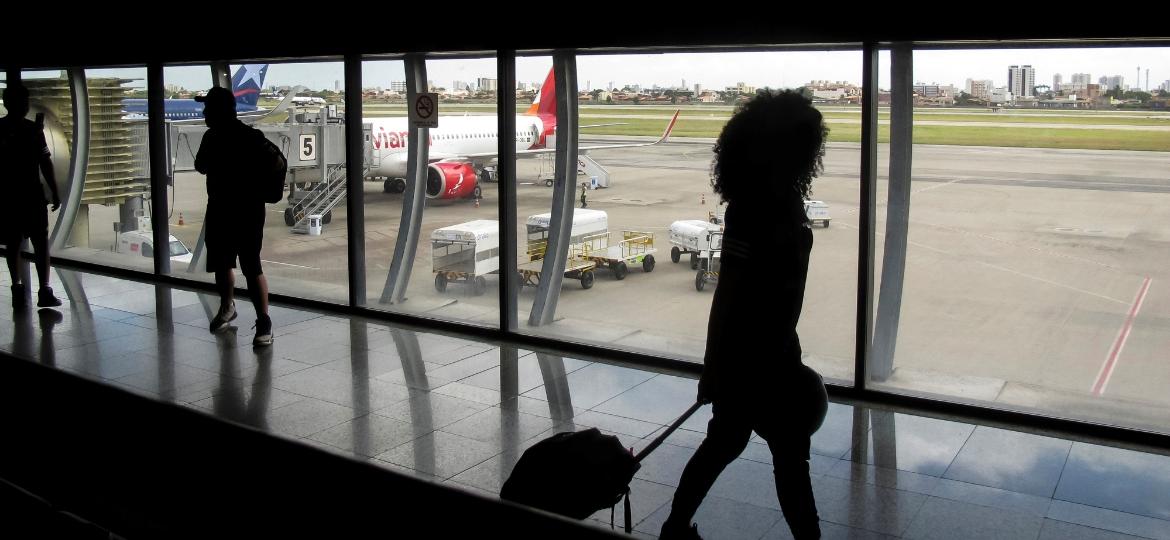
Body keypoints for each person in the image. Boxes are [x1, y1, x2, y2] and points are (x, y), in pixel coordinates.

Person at [660, 90, 830, 540]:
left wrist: (718, 366)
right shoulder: (763, 210)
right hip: (765, 359)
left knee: (725, 447)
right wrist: (714, 366)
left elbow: (736, 296)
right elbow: (730, 293)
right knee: (788, 463)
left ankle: (675, 527)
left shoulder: (768, 205)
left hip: (759, 358)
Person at [194, 86, 273, 346]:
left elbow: (200, 166)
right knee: (250, 266)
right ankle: (262, 321)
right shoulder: (252, 136)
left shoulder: (211, 138)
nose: (204, 112)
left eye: (208, 107)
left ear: (219, 111)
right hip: (249, 210)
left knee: (224, 263)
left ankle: (231, 307)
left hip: (224, 209)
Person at [1, 83, 62, 310]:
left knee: (13, 244)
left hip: (8, 196)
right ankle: (44, 289)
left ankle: (17, 287)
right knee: (41, 244)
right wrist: (54, 191)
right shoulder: (33, 131)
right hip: (31, 195)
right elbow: (45, 163)